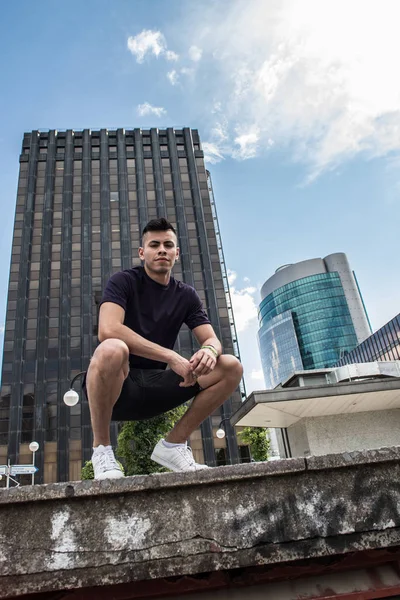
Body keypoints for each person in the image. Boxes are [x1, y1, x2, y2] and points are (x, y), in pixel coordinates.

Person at [83, 218, 243, 480]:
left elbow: (212, 339)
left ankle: (173, 445)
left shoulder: (186, 295)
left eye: (168, 245)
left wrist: (210, 352)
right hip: (118, 388)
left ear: (176, 253)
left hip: (158, 388)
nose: (162, 250)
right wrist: (170, 356)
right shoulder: (123, 281)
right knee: (112, 348)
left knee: (230, 366)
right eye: (154, 244)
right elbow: (108, 329)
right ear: (142, 252)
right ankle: (101, 449)